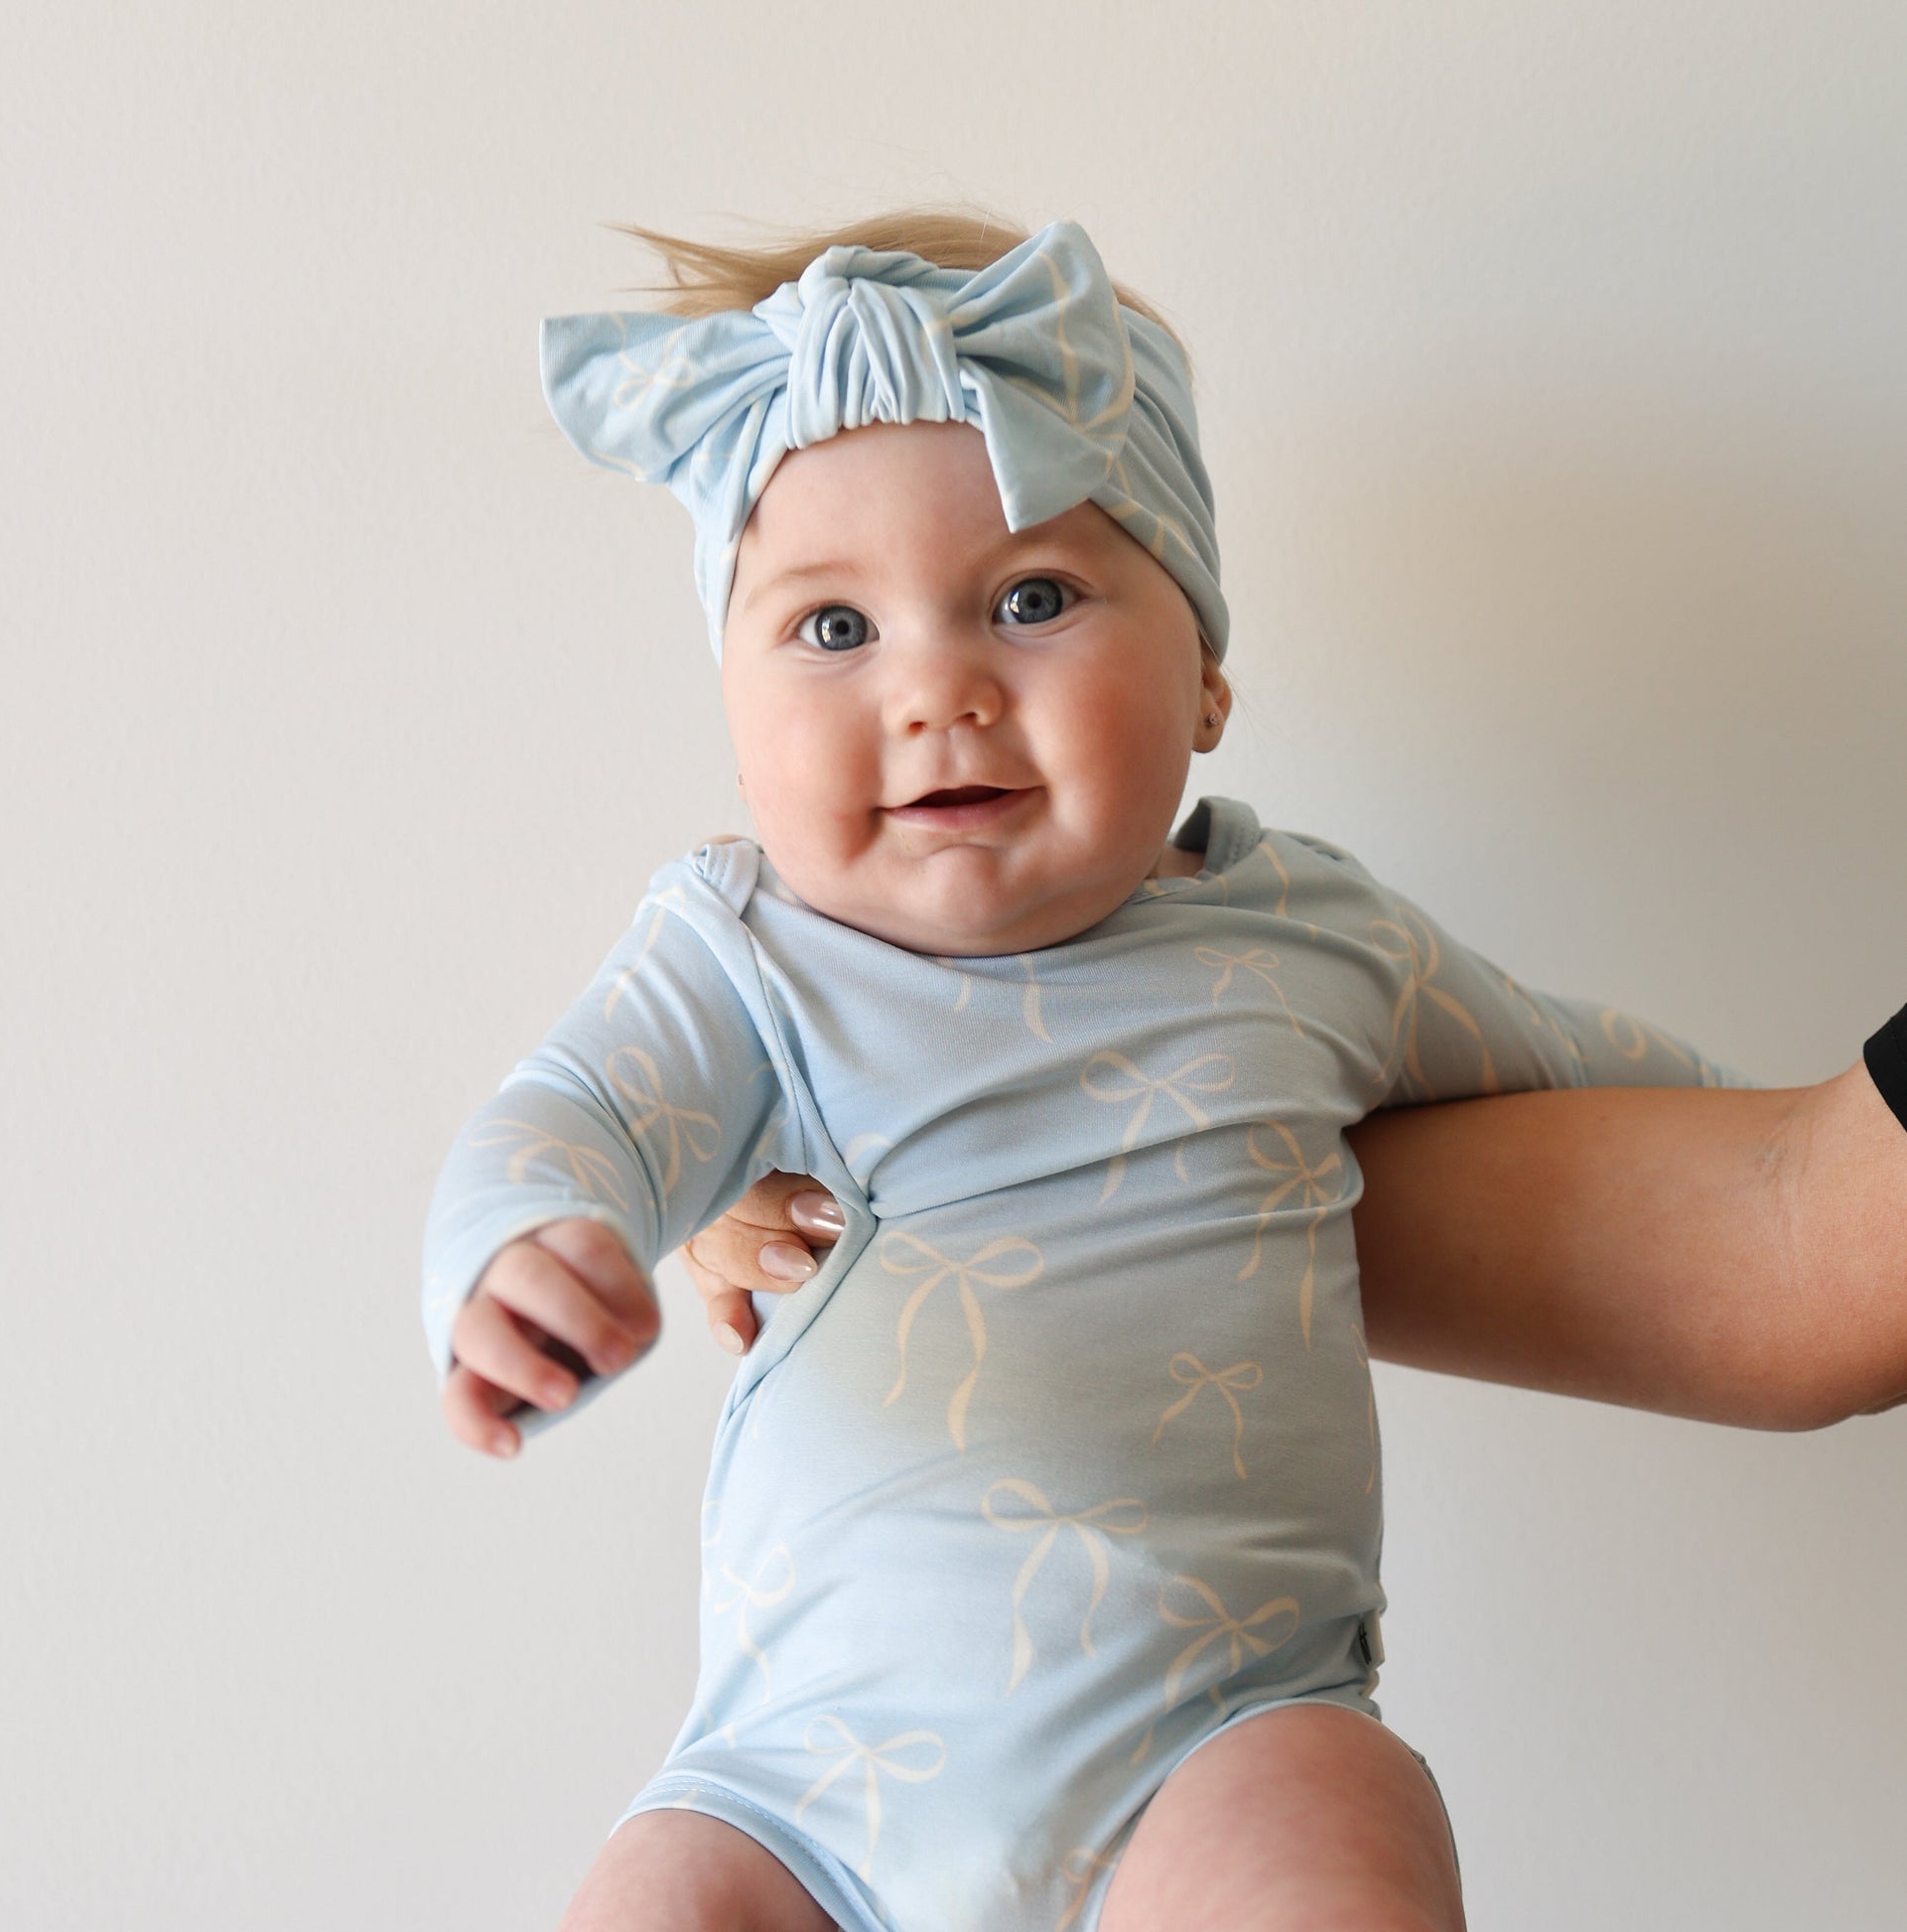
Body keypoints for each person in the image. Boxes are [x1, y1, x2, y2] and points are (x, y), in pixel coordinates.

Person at [422, 210, 1907, 1932]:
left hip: (1218, 1742)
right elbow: (577, 1117)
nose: (937, 692)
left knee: (1329, 1828)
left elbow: (1616, 1093)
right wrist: (527, 1240)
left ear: (1203, 674)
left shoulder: (1315, 941)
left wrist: (1756, 1107)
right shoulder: (744, 962)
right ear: (731, 708)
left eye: (1031, 596)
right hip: (788, 1801)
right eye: (832, 630)